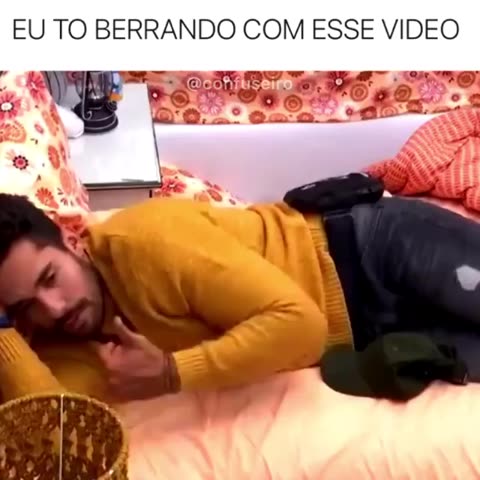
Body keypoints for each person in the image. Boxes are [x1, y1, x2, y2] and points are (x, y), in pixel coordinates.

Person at [0, 189, 479, 404]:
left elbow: (301, 324)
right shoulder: (59, 341)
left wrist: (171, 374)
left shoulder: (145, 242)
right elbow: (58, 434)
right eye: (23, 307)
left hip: (369, 248)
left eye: (50, 277)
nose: (54, 309)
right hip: (376, 341)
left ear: (68, 242)